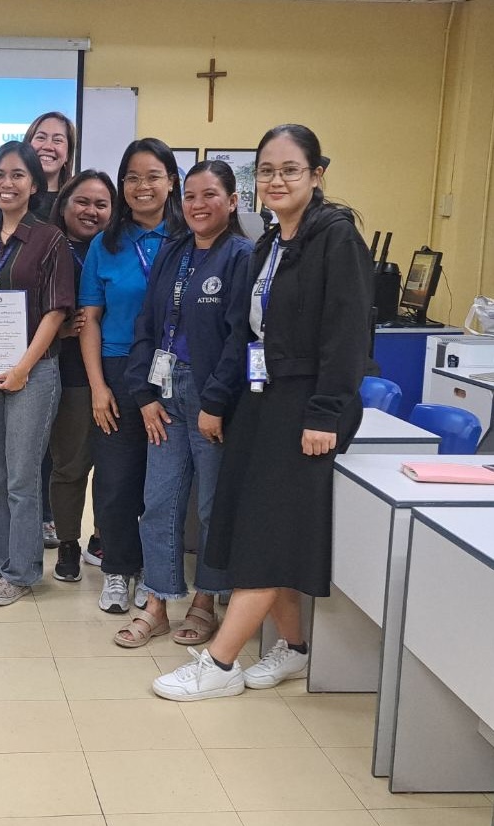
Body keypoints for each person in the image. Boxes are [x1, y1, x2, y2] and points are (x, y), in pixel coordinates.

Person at [153, 124, 372, 700]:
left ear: (317, 174)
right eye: (266, 172)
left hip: (306, 409)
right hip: (261, 400)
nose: (276, 181)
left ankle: (221, 664)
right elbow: (244, 333)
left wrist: (325, 414)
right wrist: (220, 400)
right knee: (253, 523)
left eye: (290, 170)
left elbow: (348, 337)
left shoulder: (336, 238)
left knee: (267, 536)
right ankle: (294, 648)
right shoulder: (270, 243)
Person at [113, 159, 252, 648]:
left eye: (210, 194)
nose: (197, 205)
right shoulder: (174, 252)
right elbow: (147, 328)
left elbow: (240, 339)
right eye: (190, 196)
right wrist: (145, 395)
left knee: (213, 505)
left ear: (233, 202)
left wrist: (214, 402)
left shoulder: (242, 256)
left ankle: (206, 601)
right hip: (164, 392)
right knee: (160, 501)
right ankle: (157, 602)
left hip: (214, 398)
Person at [0, 141, 74, 607]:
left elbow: (56, 311)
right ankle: (1, 562)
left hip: (32, 375)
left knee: (23, 479)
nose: (8, 183)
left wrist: (23, 368)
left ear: (34, 183)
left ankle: (23, 572)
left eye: (18, 175)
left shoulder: (50, 240)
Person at [79, 138, 185, 614]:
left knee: (160, 482)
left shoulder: (190, 237)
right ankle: (119, 569)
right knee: (117, 479)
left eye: (153, 176)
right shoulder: (107, 243)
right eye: (133, 178)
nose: (142, 187)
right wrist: (99, 387)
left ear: (171, 181)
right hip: (119, 371)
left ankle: (155, 571)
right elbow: (91, 320)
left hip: (175, 371)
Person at [46, 171, 115, 581]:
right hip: (68, 372)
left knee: (113, 467)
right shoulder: (47, 246)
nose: (91, 211)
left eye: (101, 204)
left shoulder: (119, 248)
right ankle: (68, 543)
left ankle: (103, 538)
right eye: (82, 202)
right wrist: (57, 327)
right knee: (70, 464)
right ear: (65, 204)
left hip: (119, 370)